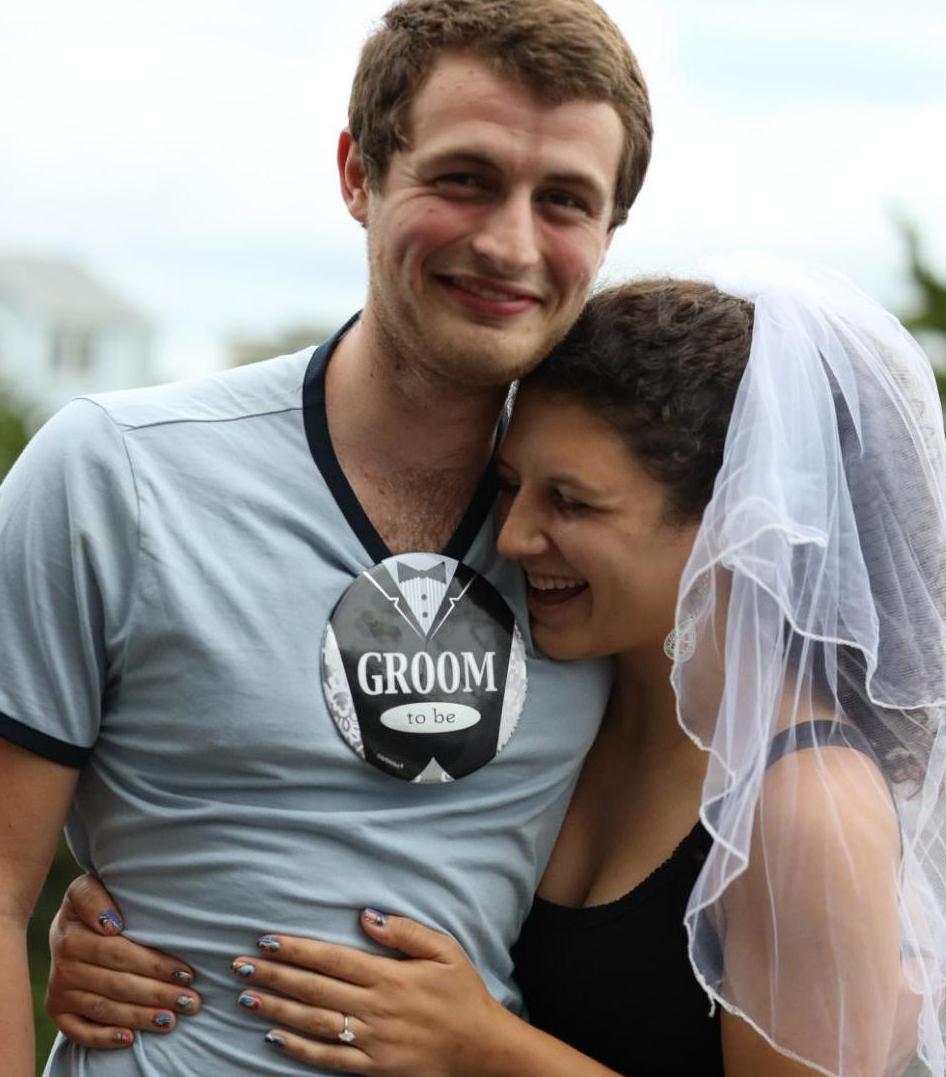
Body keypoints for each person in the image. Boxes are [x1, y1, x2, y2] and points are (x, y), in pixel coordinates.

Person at [46, 265, 946, 1076]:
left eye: (570, 501)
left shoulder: (806, 808)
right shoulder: (573, 692)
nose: (515, 535)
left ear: (737, 528)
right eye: (510, 485)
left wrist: (481, 1046)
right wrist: (139, 925)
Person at [0, 0, 653, 1072]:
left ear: (610, 230)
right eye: (464, 178)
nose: (508, 242)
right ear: (359, 174)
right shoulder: (113, 475)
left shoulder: (616, 545)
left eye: (565, 200)